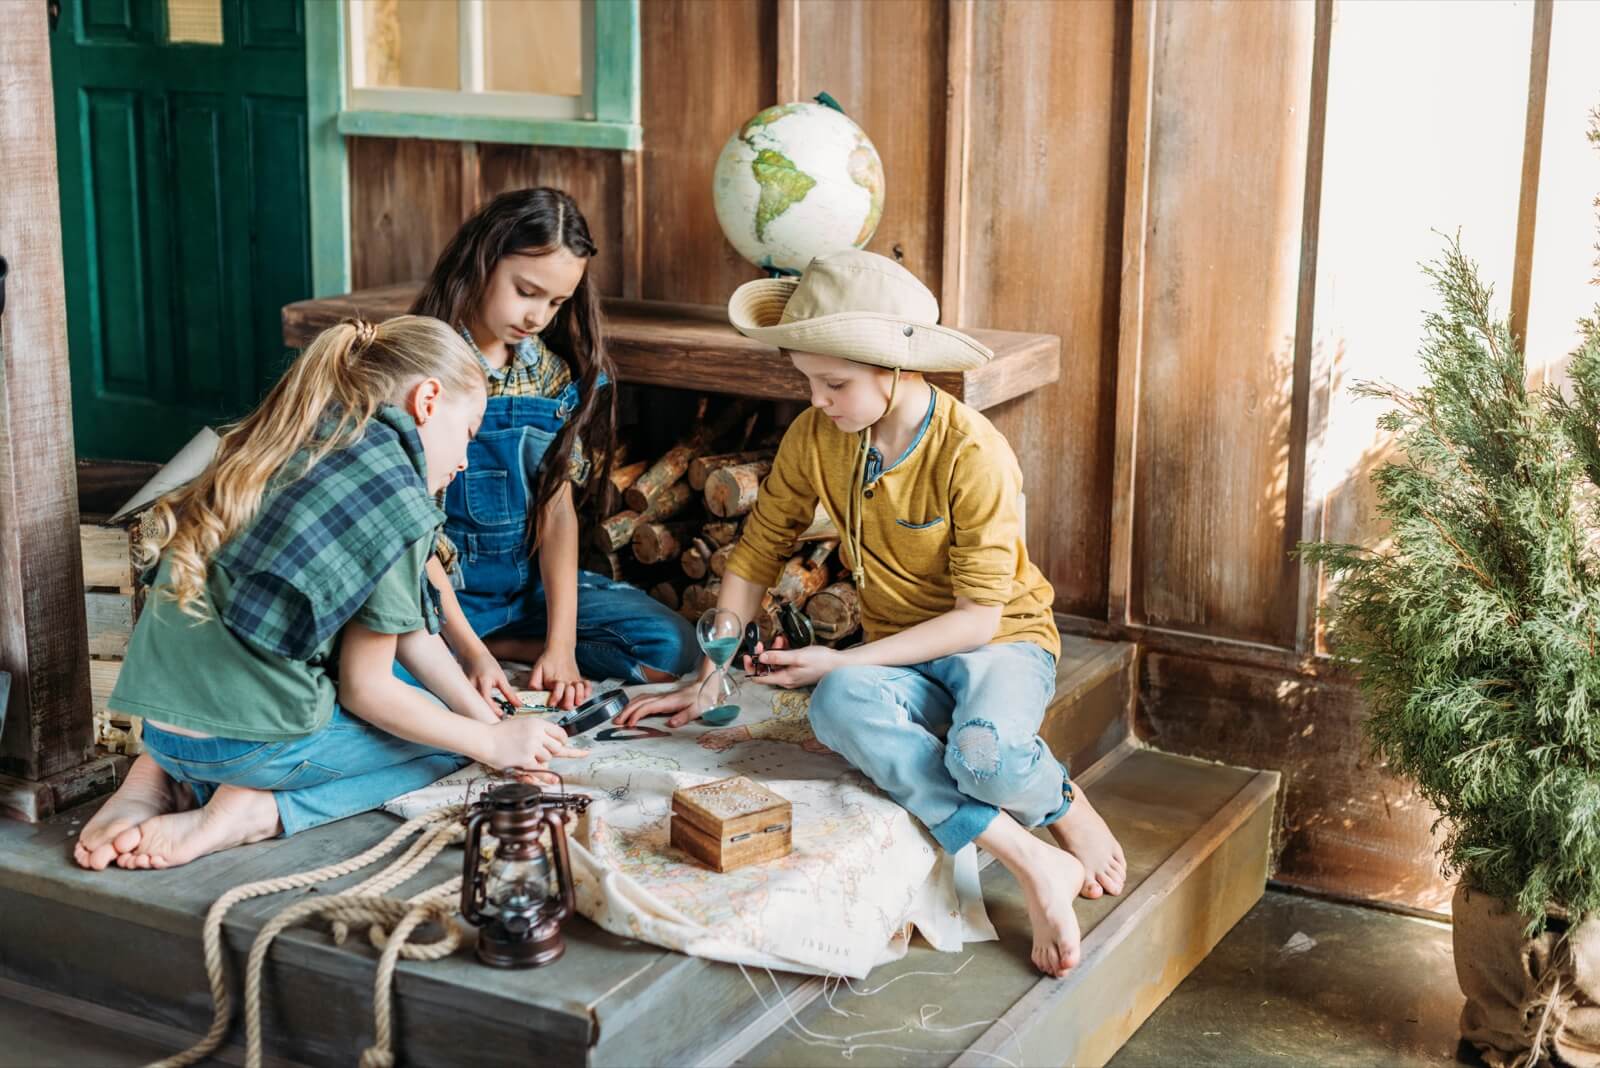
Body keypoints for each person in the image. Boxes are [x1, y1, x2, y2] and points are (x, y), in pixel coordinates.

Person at [615, 250, 1126, 978]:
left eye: (835, 384)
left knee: (981, 754)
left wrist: (844, 656)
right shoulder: (816, 437)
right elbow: (758, 552)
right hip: (900, 655)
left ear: (896, 369)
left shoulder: (974, 453)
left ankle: (1061, 803)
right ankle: (1032, 861)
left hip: (1000, 644)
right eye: (808, 382)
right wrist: (711, 673)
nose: (818, 401)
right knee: (837, 705)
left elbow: (980, 621)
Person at [74, 316, 585, 872]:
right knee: (447, 745)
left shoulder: (296, 439)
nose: (464, 462)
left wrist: (495, 727)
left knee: (449, 714)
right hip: (245, 750)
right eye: (468, 434)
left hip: (165, 725)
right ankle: (256, 812)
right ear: (428, 400)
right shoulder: (394, 492)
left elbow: (411, 631)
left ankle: (158, 775)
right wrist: (487, 745)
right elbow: (368, 691)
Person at [410, 187, 697, 710]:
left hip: (522, 598)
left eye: (556, 302)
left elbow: (556, 508)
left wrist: (561, 647)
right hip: (432, 596)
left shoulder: (548, 372)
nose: (538, 316)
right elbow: (410, 533)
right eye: (525, 290)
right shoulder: (421, 363)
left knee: (673, 647)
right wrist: (469, 653)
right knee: (372, 676)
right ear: (483, 260)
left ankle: (511, 647)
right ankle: (471, 651)